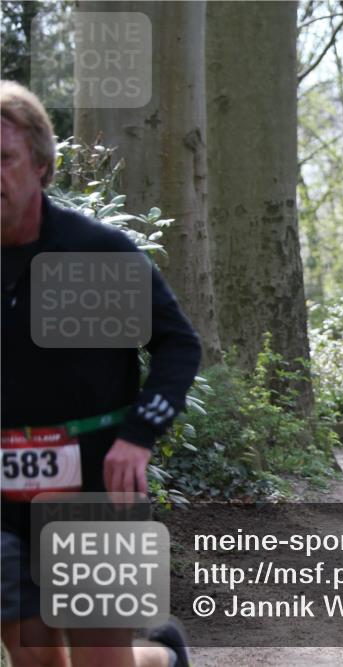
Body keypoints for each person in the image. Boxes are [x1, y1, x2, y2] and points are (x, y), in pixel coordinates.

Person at [1, 80, 199, 667]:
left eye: (3, 158)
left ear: (39, 164)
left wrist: (138, 437)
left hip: (92, 488)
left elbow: (177, 346)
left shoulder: (93, 252)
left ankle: (161, 657)